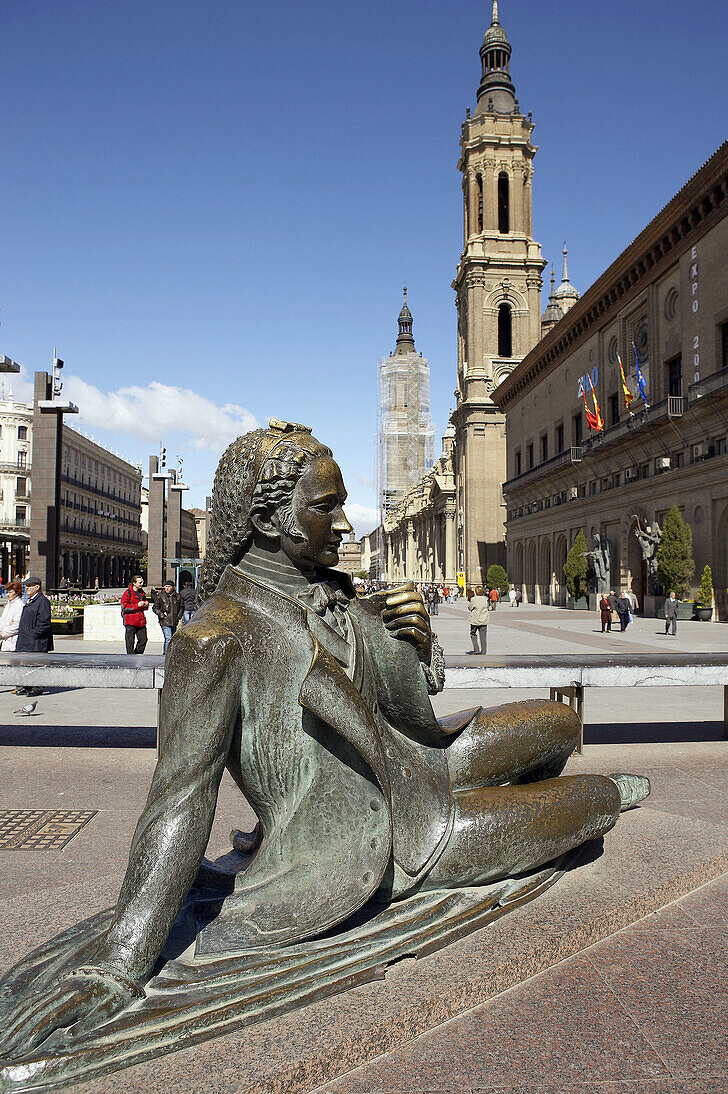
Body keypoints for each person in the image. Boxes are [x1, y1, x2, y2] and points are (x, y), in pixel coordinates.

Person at [0, 421, 649, 1056]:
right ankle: (516, 812)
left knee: (561, 723)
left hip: (415, 758)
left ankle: (511, 797)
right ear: (267, 521)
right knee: (594, 797)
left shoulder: (329, 593)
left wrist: (409, 643)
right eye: (326, 508)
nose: (343, 525)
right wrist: (117, 963)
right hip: (378, 834)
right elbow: (179, 799)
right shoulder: (215, 638)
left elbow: (403, 704)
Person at [15, 576, 53, 696]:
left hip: (36, 642)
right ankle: (27, 685)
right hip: (26, 641)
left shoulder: (42, 601)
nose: (27, 589)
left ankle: (37, 687)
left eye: (29, 586)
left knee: (37, 665)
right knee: (26, 664)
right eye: (26, 586)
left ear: (37, 587)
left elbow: (44, 623)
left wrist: (33, 635)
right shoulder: (30, 600)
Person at [153, 580, 183, 654]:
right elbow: (155, 608)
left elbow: (182, 607)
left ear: (173, 587)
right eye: (166, 586)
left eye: (169, 586)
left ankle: (171, 654)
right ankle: (166, 654)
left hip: (174, 620)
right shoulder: (160, 596)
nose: (167, 588)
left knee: (173, 639)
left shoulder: (177, 596)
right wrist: (162, 615)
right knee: (168, 638)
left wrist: (178, 616)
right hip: (165, 621)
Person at [121, 575, 149, 655]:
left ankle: (137, 654)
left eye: (142, 582)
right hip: (130, 622)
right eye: (140, 582)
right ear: (134, 583)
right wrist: (137, 605)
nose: (141, 584)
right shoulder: (127, 593)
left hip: (140, 621)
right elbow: (124, 607)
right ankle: (131, 657)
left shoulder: (142, 593)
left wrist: (145, 604)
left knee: (143, 640)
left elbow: (144, 606)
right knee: (130, 642)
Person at [0, 579, 25, 650]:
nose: (7, 595)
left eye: (10, 592)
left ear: (17, 593)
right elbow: (2, 620)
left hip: (13, 642)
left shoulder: (20, 605)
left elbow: (16, 625)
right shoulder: (8, 604)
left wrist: (2, 634)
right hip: (4, 642)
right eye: (7, 592)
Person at [467, 584, 490, 654]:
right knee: (483, 637)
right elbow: (487, 607)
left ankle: (476, 649)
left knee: (473, 634)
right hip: (484, 619)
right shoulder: (486, 599)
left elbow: (470, 608)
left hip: (475, 619)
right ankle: (483, 651)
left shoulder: (473, 599)